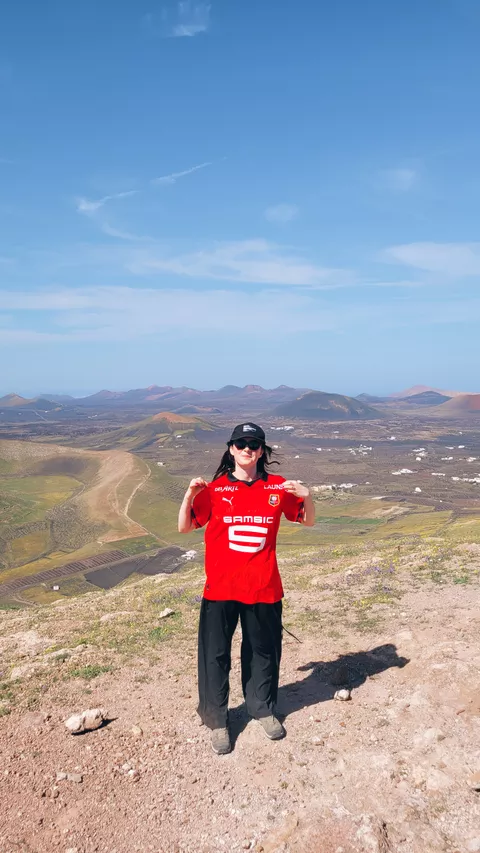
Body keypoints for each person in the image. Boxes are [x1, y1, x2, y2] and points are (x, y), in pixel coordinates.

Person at [178, 422, 315, 755]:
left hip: (264, 587)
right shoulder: (215, 489)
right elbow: (185, 527)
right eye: (241, 443)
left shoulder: (278, 487)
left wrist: (308, 497)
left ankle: (262, 708)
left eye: (254, 444)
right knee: (215, 656)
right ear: (231, 448)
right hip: (220, 589)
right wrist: (189, 496)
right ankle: (217, 720)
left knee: (263, 652)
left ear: (262, 450)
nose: (247, 449)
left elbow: (306, 520)